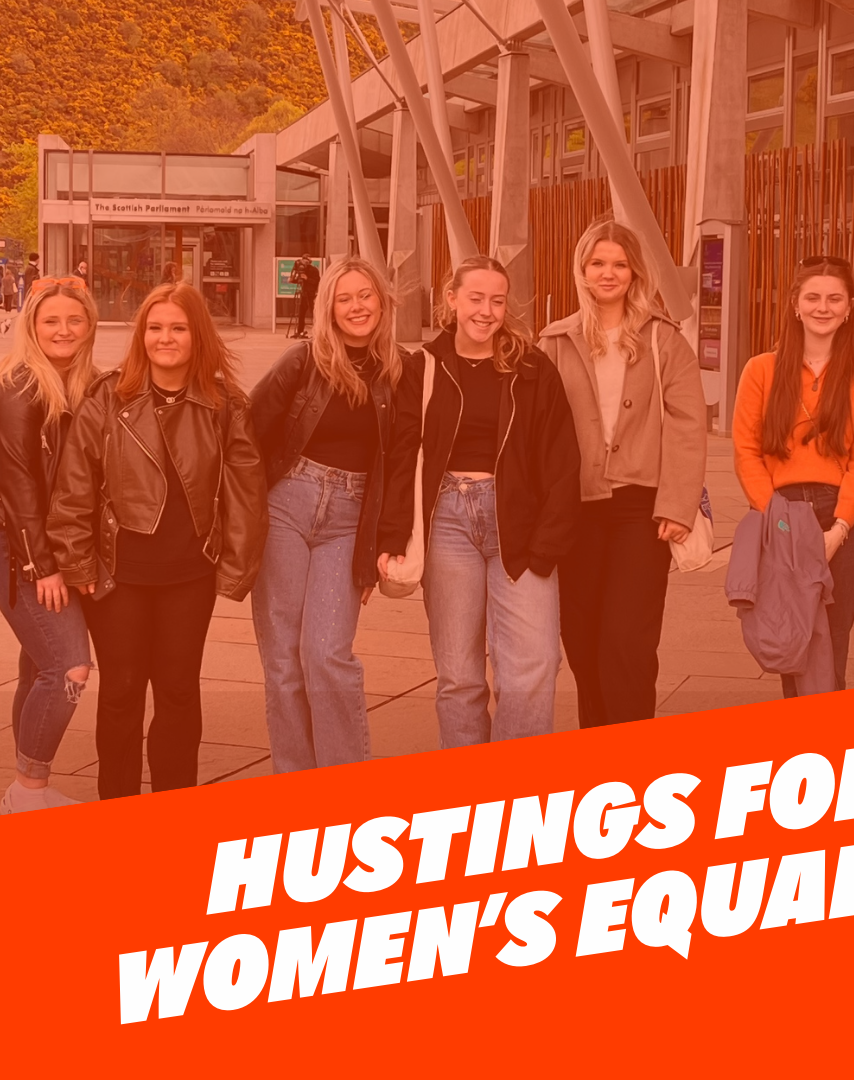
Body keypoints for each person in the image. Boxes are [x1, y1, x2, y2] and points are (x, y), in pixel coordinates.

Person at [48, 283, 268, 799]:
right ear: (140, 334)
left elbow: (246, 490)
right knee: (121, 693)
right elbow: (74, 485)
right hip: (116, 575)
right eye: (154, 327)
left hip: (188, 576)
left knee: (177, 691)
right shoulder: (108, 396)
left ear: (197, 336)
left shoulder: (224, 403)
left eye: (177, 328)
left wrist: (234, 568)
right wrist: (78, 565)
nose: (164, 338)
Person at [377, 255, 580, 747]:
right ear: (451, 300)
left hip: (520, 524)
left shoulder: (532, 368)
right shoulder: (422, 367)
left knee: (530, 671)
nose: (487, 311)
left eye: (497, 300)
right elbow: (402, 455)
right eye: (475, 298)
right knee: (459, 677)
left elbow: (561, 458)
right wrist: (391, 535)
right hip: (448, 523)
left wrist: (549, 543)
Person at [538, 219, 707, 727]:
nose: (608, 273)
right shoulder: (554, 340)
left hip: (641, 509)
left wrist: (678, 505)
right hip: (576, 508)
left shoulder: (663, 339)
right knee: (583, 639)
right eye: (597, 263)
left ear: (634, 271)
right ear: (582, 270)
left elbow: (688, 423)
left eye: (618, 263)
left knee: (626, 642)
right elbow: (535, 429)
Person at [250, 257, 403, 772]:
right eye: (345, 298)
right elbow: (248, 433)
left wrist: (379, 545)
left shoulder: (401, 370)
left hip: (349, 518)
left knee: (327, 656)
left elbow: (403, 467)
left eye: (365, 295)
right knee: (283, 662)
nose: (357, 307)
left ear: (382, 301)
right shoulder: (304, 361)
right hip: (287, 507)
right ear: (328, 308)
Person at [733, 255, 854, 695]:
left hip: (841, 516)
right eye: (813, 297)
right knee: (790, 643)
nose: (823, 307)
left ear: (850, 307)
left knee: (832, 646)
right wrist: (777, 522)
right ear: (795, 306)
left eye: (835, 298)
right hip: (780, 513)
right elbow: (746, 451)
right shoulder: (761, 369)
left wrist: (839, 529)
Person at [0, 277, 97, 813]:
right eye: (51, 320)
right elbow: (17, 484)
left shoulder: (81, 385)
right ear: (32, 328)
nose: (63, 330)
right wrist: (41, 566)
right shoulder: (21, 386)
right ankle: (27, 791)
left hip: (46, 547)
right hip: (19, 549)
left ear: (89, 326)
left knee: (40, 667)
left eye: (74, 320)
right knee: (68, 668)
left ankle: (23, 789)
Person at [294, 255, 321, 340]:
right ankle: (300, 331)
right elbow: (298, 279)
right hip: (303, 293)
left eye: (306, 261)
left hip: (311, 294)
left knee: (314, 313)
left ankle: (317, 332)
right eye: (303, 261)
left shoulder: (314, 270)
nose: (304, 263)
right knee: (301, 313)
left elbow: (317, 281)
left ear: (309, 262)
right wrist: (293, 280)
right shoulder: (301, 269)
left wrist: (307, 278)